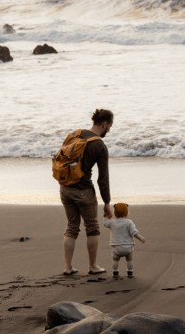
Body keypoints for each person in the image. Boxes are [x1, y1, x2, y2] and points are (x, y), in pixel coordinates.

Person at [60, 108, 114, 276]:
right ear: (105, 124)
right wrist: (106, 202)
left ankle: (68, 267)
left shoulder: (75, 134)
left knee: (71, 227)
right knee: (92, 228)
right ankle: (93, 266)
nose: (109, 130)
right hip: (83, 192)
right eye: (110, 126)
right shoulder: (99, 145)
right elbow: (102, 179)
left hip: (65, 188)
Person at [103, 203, 146, 278]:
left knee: (115, 260)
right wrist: (141, 238)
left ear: (115, 212)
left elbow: (105, 224)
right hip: (128, 246)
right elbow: (134, 232)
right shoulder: (129, 222)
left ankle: (115, 272)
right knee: (129, 260)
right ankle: (130, 272)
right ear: (126, 212)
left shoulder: (112, 222)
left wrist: (106, 216)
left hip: (116, 247)